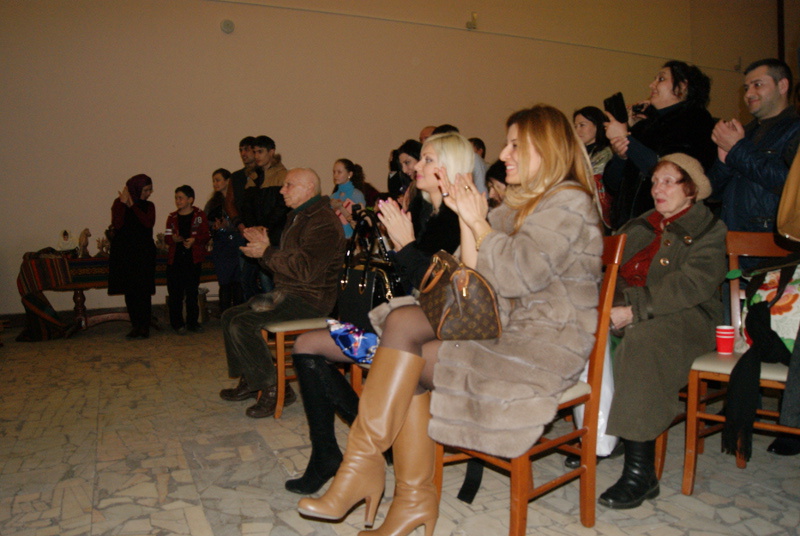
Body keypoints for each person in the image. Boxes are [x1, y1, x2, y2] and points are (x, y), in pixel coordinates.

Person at [296, 105, 603, 536]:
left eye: (515, 145)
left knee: (405, 341)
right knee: (406, 338)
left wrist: (476, 222)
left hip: (540, 346)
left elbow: (519, 275)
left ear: (546, 149)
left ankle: (376, 476)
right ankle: (399, 491)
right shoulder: (514, 208)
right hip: (501, 329)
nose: (503, 154)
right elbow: (467, 284)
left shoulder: (568, 202)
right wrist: (469, 220)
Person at [283, 133, 466, 496]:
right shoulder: (422, 210)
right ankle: (327, 454)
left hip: (428, 335)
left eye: (426, 160)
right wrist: (373, 231)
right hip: (398, 321)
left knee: (326, 344)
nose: (415, 166)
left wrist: (405, 244)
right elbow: (399, 275)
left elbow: (446, 294)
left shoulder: (462, 217)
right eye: (417, 160)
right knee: (305, 346)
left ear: (451, 168)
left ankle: (370, 445)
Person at [599, 154, 727, 509]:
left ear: (691, 189)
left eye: (669, 181)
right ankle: (603, 437)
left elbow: (692, 284)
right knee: (574, 328)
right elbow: (602, 264)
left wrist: (634, 310)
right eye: (655, 181)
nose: (658, 188)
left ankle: (641, 474)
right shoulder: (641, 224)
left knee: (644, 339)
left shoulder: (709, 229)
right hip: (624, 305)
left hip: (688, 316)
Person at [218, 168, 346, 418]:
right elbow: (283, 266)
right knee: (229, 316)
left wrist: (266, 252)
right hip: (288, 293)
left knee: (243, 324)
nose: (282, 190)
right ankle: (251, 378)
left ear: (309, 189)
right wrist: (264, 251)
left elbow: (306, 269)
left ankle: (275, 388)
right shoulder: (299, 217)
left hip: (311, 299)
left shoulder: (323, 222)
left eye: (289, 185)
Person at [603, 60, 717, 230]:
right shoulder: (643, 125)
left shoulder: (697, 121)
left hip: (667, 227)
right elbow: (612, 185)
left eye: (661, 79)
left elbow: (674, 172)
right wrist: (621, 155)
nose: (652, 85)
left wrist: (625, 138)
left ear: (682, 86)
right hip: (630, 228)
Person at [709, 58, 800, 233]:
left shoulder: (795, 130)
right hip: (733, 236)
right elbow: (713, 194)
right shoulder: (743, 133)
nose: (748, 94)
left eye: (757, 85)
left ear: (782, 86)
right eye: (746, 88)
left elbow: (792, 185)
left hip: (771, 240)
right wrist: (723, 163)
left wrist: (737, 149)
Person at [237, 135, 290, 299]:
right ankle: (256, 311)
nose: (256, 156)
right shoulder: (253, 177)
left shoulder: (283, 175)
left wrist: (264, 227)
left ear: (271, 152)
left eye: (260, 152)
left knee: (268, 281)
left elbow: (282, 207)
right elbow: (246, 207)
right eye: (255, 152)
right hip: (254, 235)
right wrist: (252, 227)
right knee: (246, 279)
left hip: (274, 236)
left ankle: (273, 312)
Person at [108, 174, 156, 340]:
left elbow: (147, 222)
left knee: (143, 291)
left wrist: (133, 205)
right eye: (146, 190)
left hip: (143, 253)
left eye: (150, 190)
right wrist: (123, 204)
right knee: (130, 291)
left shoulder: (149, 206)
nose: (148, 193)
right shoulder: (119, 203)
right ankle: (135, 325)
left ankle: (144, 326)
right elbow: (117, 224)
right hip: (126, 253)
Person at [165, 185, 210, 334]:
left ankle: (192, 322)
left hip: (193, 260)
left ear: (190, 200)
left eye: (181, 198)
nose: (178, 201)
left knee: (192, 292)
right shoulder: (172, 217)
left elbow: (206, 235)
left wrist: (194, 241)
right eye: (176, 198)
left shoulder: (199, 215)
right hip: (175, 260)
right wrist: (173, 239)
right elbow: (166, 237)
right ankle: (177, 323)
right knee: (175, 293)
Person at [205, 168, 244, 313]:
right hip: (221, 245)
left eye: (218, 180)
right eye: (213, 181)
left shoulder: (237, 200)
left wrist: (229, 225)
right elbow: (206, 222)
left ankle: (239, 313)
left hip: (237, 242)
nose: (215, 183)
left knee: (238, 280)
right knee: (224, 281)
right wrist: (215, 226)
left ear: (228, 181)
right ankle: (225, 313)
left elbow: (243, 221)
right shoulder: (212, 203)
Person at [574, 105, 614, 227]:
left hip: (600, 212)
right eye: (575, 126)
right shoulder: (575, 153)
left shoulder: (607, 153)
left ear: (597, 125)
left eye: (582, 125)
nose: (577, 130)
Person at [330, 159, 367, 238]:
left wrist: (341, 208)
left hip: (351, 239)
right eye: (334, 172)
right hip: (334, 239)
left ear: (349, 174)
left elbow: (361, 223)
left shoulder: (356, 195)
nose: (335, 175)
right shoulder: (333, 196)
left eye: (339, 172)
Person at [227, 136, 256, 217]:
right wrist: (238, 222)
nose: (243, 154)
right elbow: (229, 202)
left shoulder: (265, 173)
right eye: (241, 150)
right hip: (242, 221)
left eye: (246, 149)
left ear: (255, 150)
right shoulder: (236, 176)